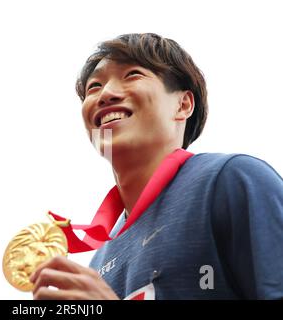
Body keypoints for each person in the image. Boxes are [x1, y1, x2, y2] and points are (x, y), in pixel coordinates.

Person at [29, 33, 283, 300]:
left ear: (183, 104)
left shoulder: (232, 180)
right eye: (94, 87)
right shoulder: (99, 260)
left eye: (132, 75)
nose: (105, 94)